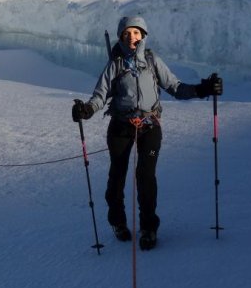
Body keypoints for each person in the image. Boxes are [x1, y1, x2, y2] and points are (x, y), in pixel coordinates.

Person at [72, 16, 222, 251]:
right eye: (126, 33)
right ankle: (118, 223)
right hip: (121, 126)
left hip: (149, 125)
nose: (132, 37)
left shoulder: (152, 61)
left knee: (145, 177)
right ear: (121, 36)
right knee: (117, 177)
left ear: (142, 35)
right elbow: (100, 96)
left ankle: (148, 228)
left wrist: (203, 89)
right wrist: (87, 110)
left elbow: (175, 87)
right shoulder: (114, 65)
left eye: (136, 33)